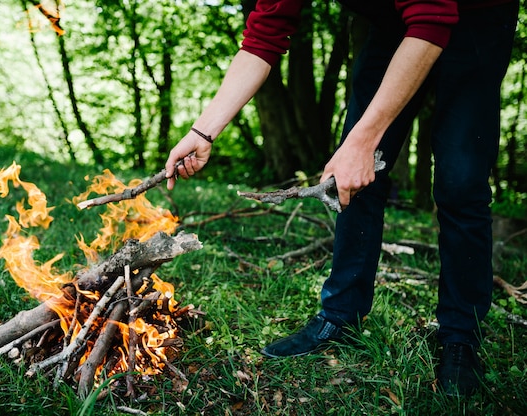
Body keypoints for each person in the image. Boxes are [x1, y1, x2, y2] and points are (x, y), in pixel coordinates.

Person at [164, 0, 519, 397]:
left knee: (460, 182)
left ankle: (460, 337)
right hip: (395, 23)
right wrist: (203, 132)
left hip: (478, 18)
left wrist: (363, 141)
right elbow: (263, 36)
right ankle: (340, 316)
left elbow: (433, 20)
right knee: (351, 178)